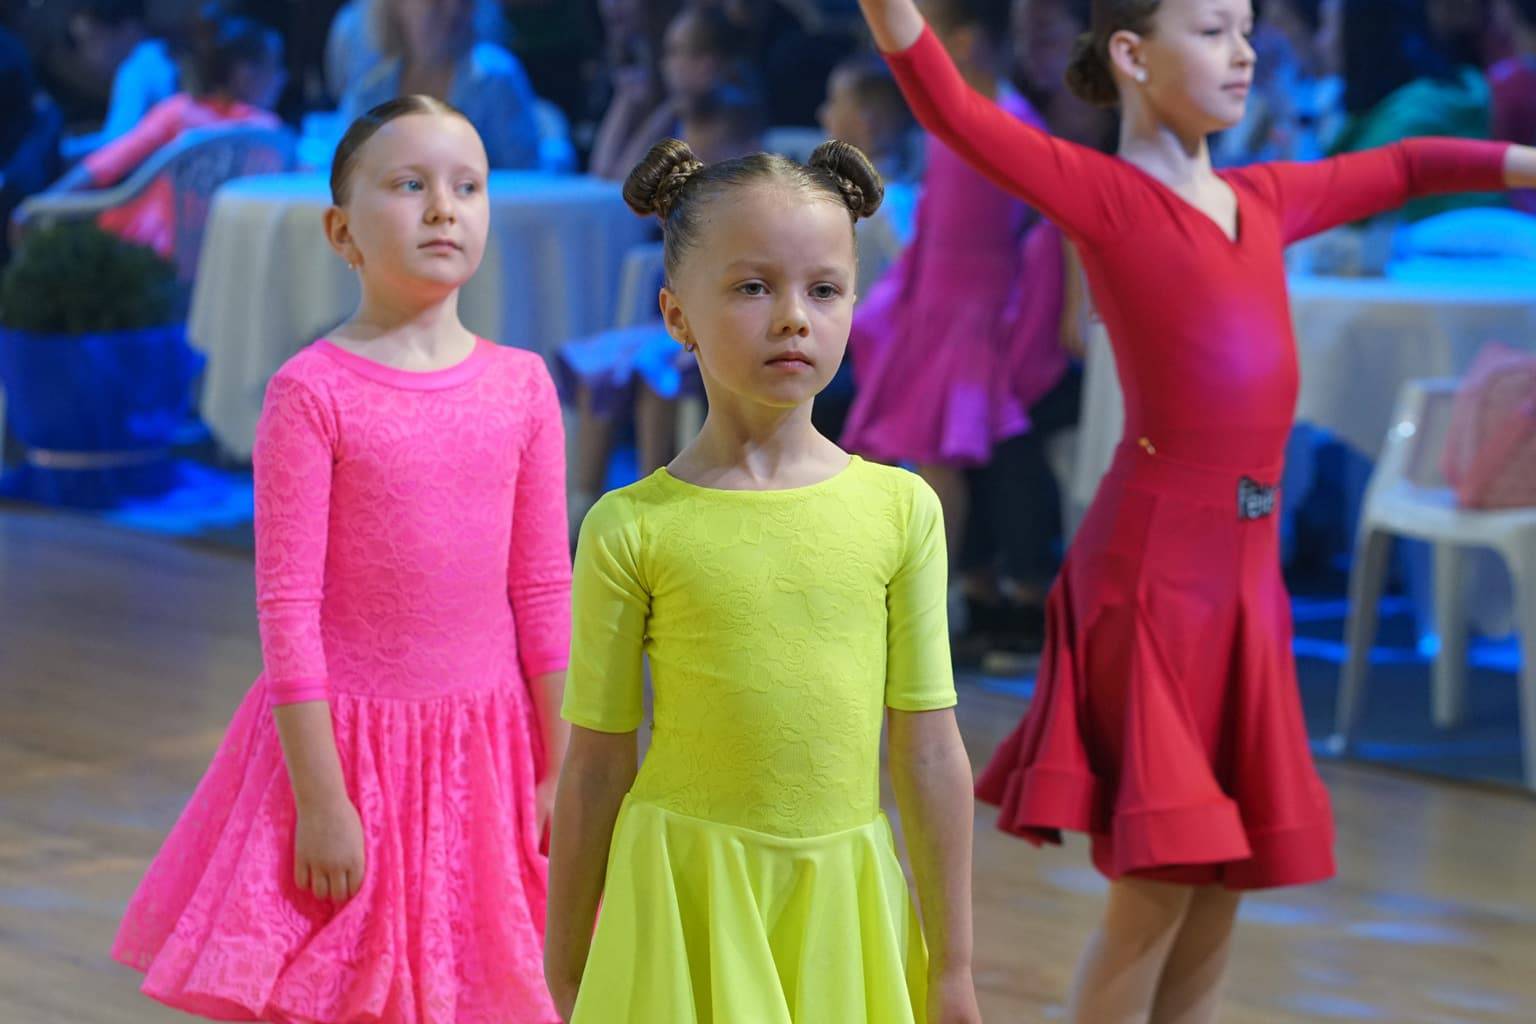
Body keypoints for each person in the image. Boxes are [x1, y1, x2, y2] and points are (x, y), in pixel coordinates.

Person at [854, 0, 1535, 1021]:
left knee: (1222, 887)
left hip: (1245, 585)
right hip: (1154, 580)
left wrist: (1524, 163)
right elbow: (951, 108)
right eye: (1213, 30)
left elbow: (1407, 167)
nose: (1244, 51)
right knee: (1159, 889)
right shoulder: (1106, 195)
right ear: (1132, 54)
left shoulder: (1265, 197)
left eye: (1246, 29)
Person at [111, 95, 571, 1023]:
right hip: (348, 756)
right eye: (409, 185)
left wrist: (563, 765)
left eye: (467, 187)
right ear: (341, 230)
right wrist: (322, 800)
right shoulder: (311, 392)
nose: (443, 208)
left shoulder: (523, 386)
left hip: (489, 756)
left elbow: (543, 588)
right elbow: (287, 608)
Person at [544, 138, 981, 1024]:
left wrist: (953, 966)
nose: (792, 318)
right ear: (677, 315)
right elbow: (594, 763)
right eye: (752, 288)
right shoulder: (631, 528)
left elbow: (930, 751)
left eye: (824, 290)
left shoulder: (902, 511)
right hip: (682, 903)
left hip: (842, 905)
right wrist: (566, 955)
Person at [46, 13, 285, 260]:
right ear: (244, 74)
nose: (282, 79)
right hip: (227, 262)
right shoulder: (270, 133)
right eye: (276, 67)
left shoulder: (178, 112)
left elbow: (105, 164)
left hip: (145, 259)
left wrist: (41, 206)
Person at [338, 0, 540, 170]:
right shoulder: (368, 91)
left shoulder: (496, 80)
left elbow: (529, 182)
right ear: (397, 7)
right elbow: (351, 181)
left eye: (463, 1)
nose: (453, 9)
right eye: (435, 2)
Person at [61, 0, 178, 162]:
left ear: (129, 30)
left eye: (93, 40)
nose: (87, 55)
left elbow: (117, 144)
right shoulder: (158, 55)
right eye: (80, 45)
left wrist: (63, 150)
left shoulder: (135, 70)